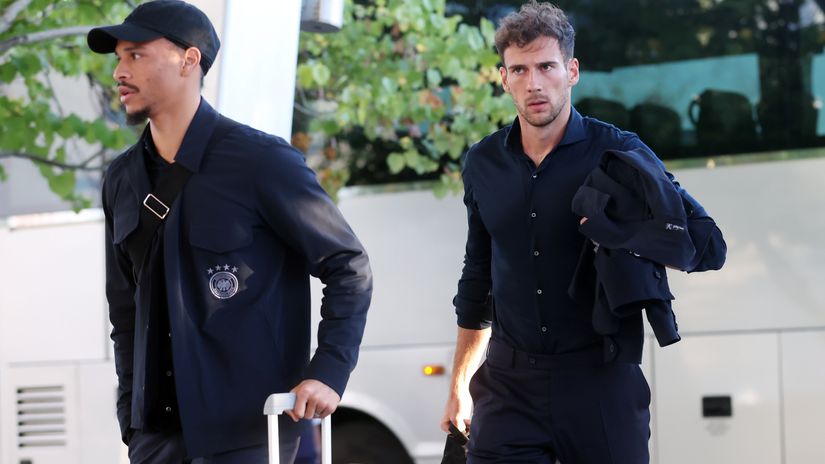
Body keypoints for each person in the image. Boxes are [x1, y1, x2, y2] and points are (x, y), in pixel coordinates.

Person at [88, 1, 372, 463]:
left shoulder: (262, 162)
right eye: (118, 57)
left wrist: (329, 372)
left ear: (189, 59)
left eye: (136, 54)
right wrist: (131, 417)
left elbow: (349, 267)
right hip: (155, 441)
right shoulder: (121, 180)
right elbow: (124, 310)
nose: (120, 70)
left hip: (253, 436)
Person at [440, 2, 723, 463]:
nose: (534, 83)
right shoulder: (483, 162)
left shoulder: (620, 153)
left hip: (600, 382)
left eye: (547, 67)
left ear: (572, 71)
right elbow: (477, 276)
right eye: (520, 69)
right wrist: (459, 385)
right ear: (503, 78)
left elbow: (708, 247)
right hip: (508, 386)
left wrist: (626, 231)